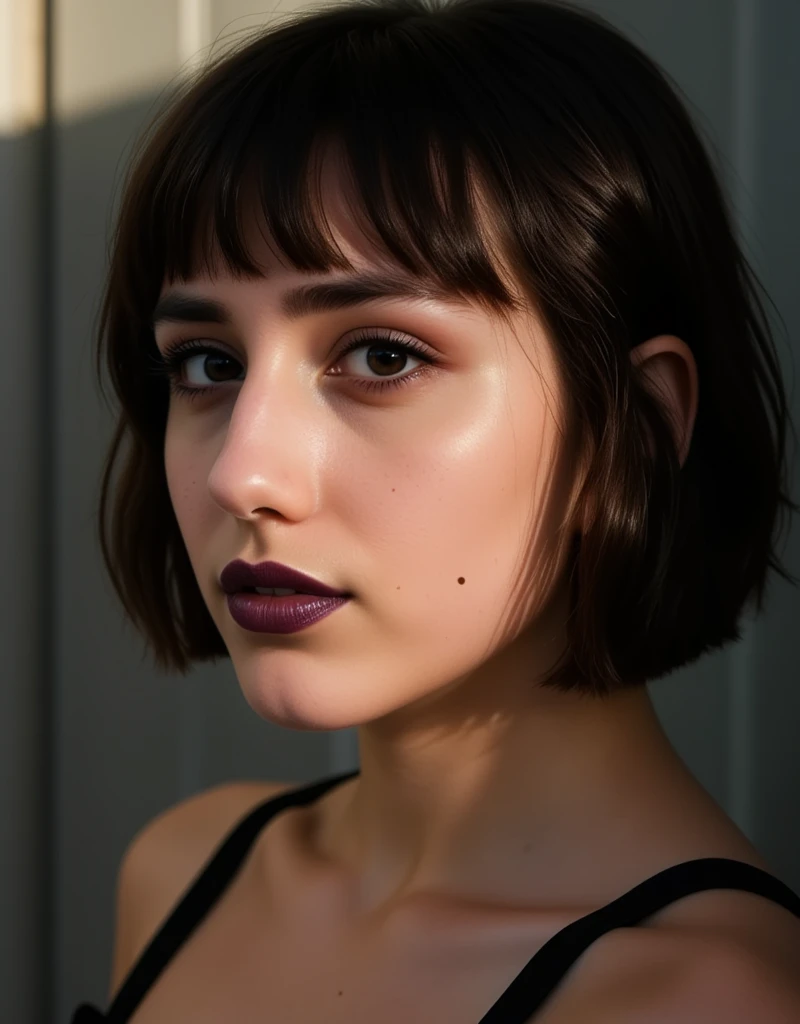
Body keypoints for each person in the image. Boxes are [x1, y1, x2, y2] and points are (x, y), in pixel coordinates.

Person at [71, 0, 800, 1020]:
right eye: (208, 363)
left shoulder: (707, 1000)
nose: (243, 474)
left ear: (626, 430)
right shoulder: (182, 873)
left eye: (381, 356)